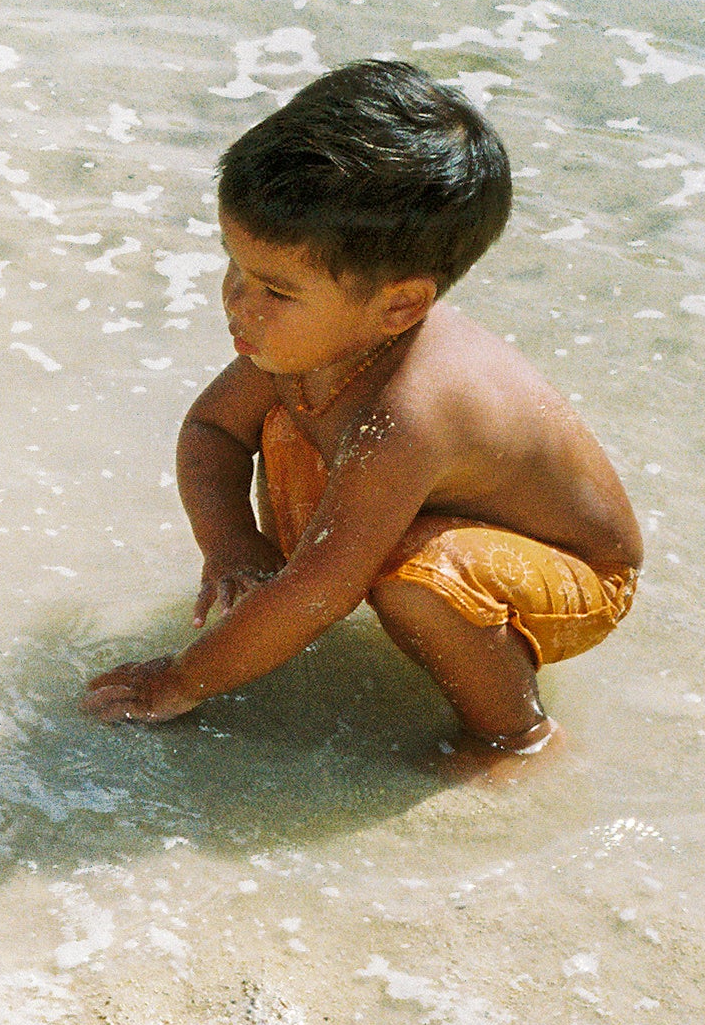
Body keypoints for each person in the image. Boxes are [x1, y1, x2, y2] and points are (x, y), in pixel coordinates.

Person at [81, 60, 641, 771]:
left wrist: (182, 680)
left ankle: (512, 734)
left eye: (276, 292)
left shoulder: (414, 410)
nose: (236, 303)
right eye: (234, 267)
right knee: (283, 423)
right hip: (432, 512)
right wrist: (229, 544)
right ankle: (297, 604)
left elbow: (321, 591)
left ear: (400, 305)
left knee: (413, 575)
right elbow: (211, 432)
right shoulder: (315, 343)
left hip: (575, 578)